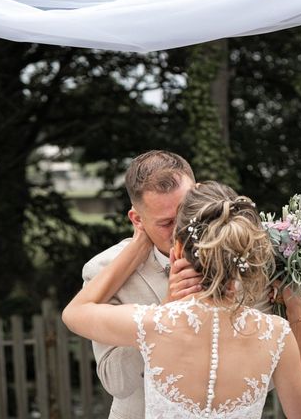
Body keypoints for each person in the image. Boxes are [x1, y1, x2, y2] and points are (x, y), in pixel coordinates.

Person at [65, 181, 301, 418]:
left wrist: (140, 241)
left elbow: (74, 313)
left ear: (177, 248)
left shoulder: (153, 324)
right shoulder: (275, 333)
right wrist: (296, 314)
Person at [81, 150, 202, 419]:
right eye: (167, 223)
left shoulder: (235, 254)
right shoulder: (102, 272)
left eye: (188, 212)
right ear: (137, 220)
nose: (182, 228)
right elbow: (117, 382)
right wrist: (164, 314)